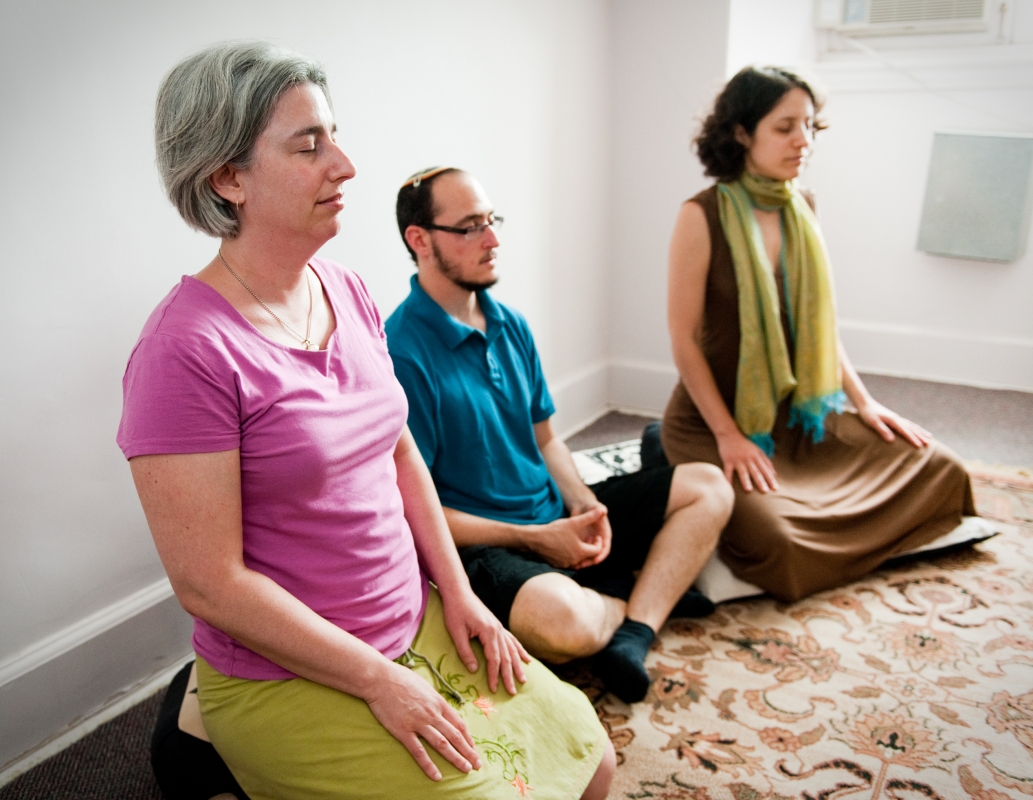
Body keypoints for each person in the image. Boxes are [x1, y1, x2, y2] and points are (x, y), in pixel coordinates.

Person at [117, 41, 615, 800]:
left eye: (334, 136)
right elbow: (210, 586)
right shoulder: (183, 352)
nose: (345, 164)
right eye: (308, 145)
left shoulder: (344, 289)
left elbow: (401, 455)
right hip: (290, 671)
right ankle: (211, 746)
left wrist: (459, 594)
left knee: (590, 759)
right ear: (227, 177)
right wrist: (378, 681)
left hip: (411, 620)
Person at [385, 167, 733, 704]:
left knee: (710, 486)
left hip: (554, 516)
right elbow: (417, 510)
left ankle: (631, 633)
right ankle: (641, 600)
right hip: (490, 546)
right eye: (471, 227)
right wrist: (533, 540)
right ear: (420, 239)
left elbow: (547, 440)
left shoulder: (512, 324)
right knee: (564, 623)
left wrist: (584, 501)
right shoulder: (401, 351)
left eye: (492, 220)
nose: (493, 238)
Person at [659, 66, 975, 603]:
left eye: (808, 125)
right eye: (785, 127)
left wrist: (865, 403)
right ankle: (667, 458)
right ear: (741, 132)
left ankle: (837, 529)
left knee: (943, 468)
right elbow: (684, 340)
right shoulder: (701, 215)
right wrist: (730, 437)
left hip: (798, 413)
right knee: (780, 541)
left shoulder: (803, 205)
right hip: (718, 424)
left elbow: (818, 326)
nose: (803, 141)